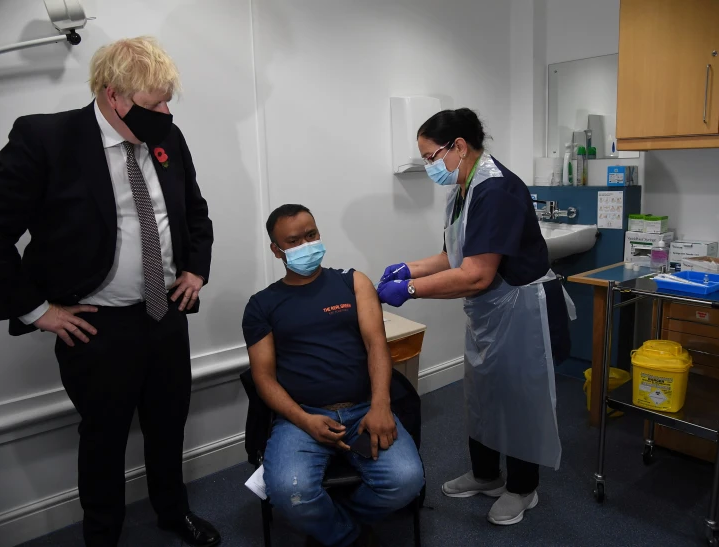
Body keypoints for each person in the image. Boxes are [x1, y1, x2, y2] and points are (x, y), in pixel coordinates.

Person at [0, 37, 219, 547]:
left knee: (168, 425)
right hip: (97, 327)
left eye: (168, 102)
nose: (165, 114)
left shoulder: (168, 138)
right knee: (104, 438)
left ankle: (173, 513)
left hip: (166, 313)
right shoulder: (47, 139)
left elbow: (193, 210)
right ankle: (103, 535)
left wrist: (196, 269)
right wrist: (37, 310)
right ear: (112, 94)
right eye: (152, 105)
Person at [376, 108, 574, 527]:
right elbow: (453, 255)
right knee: (483, 394)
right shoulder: (463, 188)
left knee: (519, 400)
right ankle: (486, 475)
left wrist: (409, 290)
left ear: (459, 146)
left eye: (431, 157)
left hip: (520, 306)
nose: (430, 166)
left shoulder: (496, 190)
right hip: (491, 310)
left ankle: (523, 488)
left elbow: (476, 274)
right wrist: (408, 268)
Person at [243, 204, 425, 547]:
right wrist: (305, 420)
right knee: (289, 492)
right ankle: (349, 537)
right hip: (302, 417)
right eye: (293, 241)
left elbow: (376, 345)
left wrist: (381, 405)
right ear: (276, 250)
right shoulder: (262, 305)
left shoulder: (353, 283)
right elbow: (263, 378)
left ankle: (336, 524)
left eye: (311, 234)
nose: (306, 245)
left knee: (406, 481)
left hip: (365, 409)